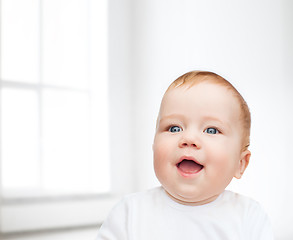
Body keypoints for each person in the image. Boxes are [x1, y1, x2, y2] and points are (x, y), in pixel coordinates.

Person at [95, 71, 274, 240]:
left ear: (240, 163)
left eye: (211, 130)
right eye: (174, 128)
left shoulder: (248, 216)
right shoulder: (130, 212)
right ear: (153, 146)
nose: (188, 138)